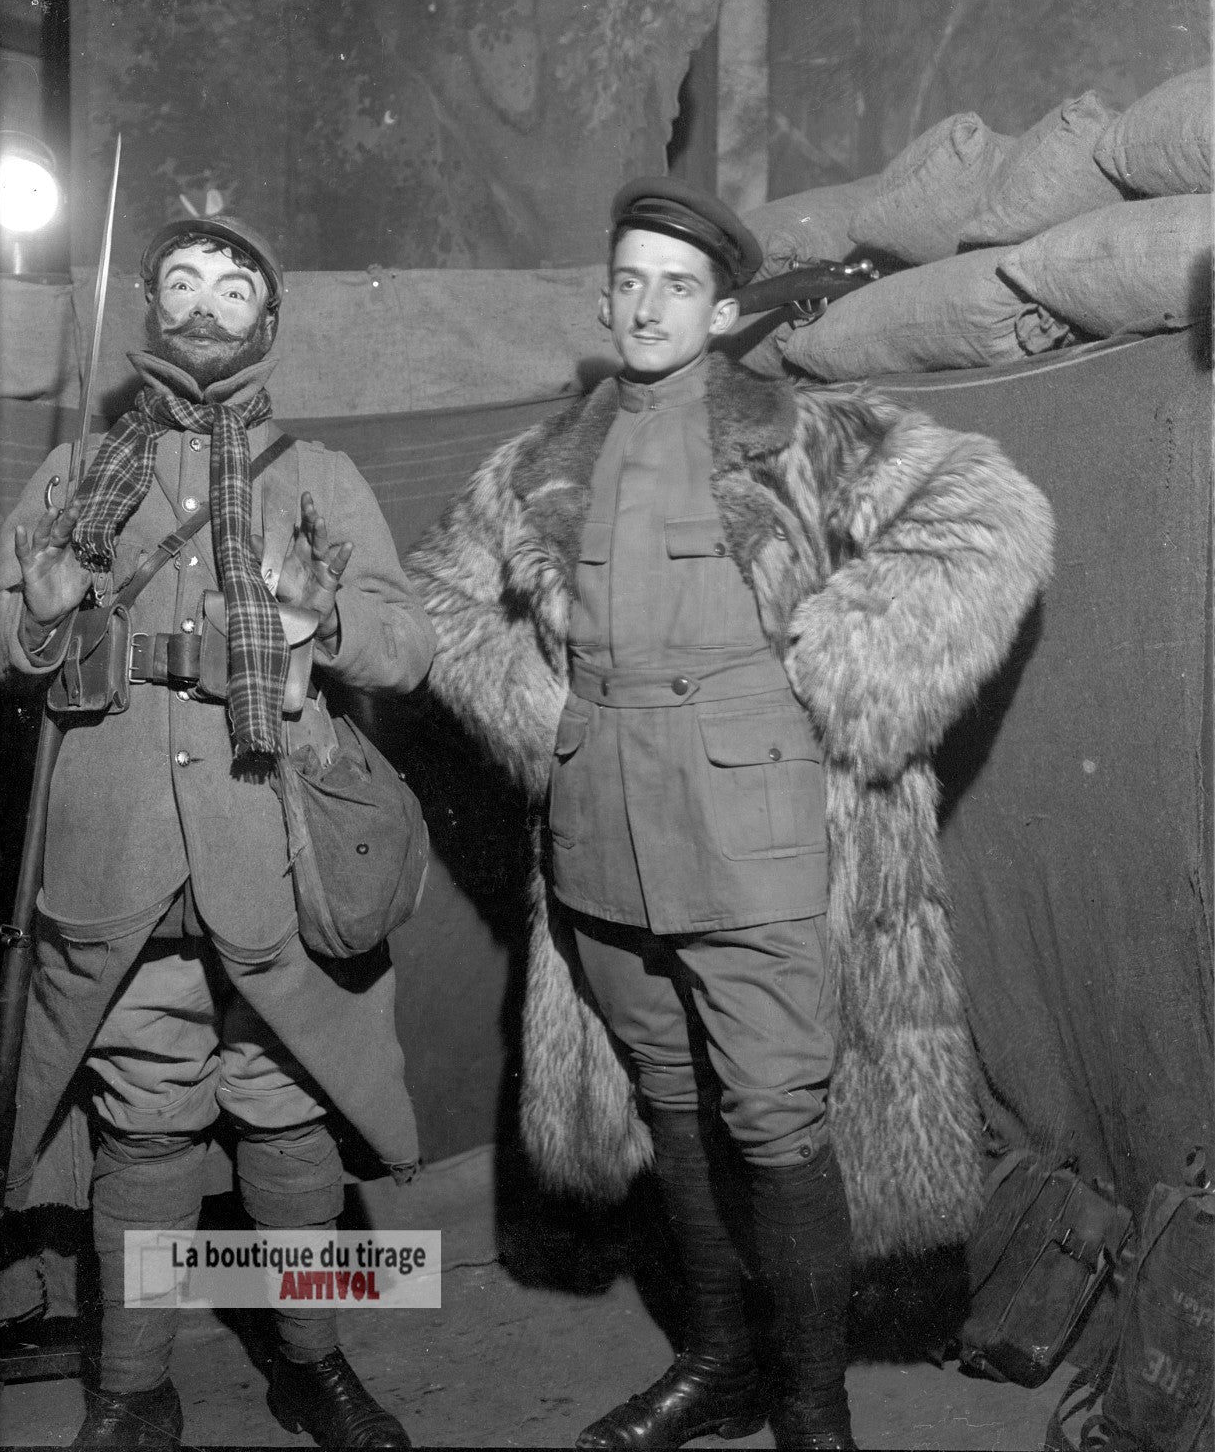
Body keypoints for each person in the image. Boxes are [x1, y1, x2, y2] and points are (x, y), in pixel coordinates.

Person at [408, 178, 1055, 1450]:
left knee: (773, 1113)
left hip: (759, 829)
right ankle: (718, 1363)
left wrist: (847, 668)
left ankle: (814, 1409)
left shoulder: (810, 435)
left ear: (717, 314)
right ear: (607, 298)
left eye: (680, 287)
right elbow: (438, 596)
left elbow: (993, 517)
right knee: (669, 1100)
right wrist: (540, 715)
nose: (651, 306)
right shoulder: (538, 465)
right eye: (631, 282)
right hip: (598, 831)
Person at [0, 215, 437, 1450]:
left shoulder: (321, 473)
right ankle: (134, 1385)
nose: (204, 302)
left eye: (232, 286)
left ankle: (312, 1360)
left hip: (276, 844)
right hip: (118, 848)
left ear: (267, 322)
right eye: (180, 281)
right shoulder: (75, 469)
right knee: (145, 1122)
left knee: (290, 1110)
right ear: (147, 307)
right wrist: (36, 620)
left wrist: (324, 621)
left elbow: (409, 645)